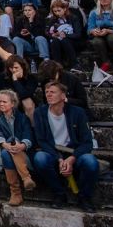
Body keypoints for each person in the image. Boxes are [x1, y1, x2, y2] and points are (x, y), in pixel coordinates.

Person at [31, 82, 99, 212]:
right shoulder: (40, 112)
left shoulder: (77, 112)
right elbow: (41, 141)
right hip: (53, 152)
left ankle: (84, 197)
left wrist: (72, 158)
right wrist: (59, 159)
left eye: (53, 92)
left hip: (73, 151)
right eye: (46, 92)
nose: (49, 95)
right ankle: (59, 193)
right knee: (39, 158)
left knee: (90, 162)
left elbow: (87, 143)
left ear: (63, 96)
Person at [0, 89, 35, 206]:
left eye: (4, 102)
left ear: (12, 103)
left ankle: (16, 192)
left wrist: (21, 145)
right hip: (5, 153)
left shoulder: (22, 118)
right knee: (6, 152)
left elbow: (28, 135)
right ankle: (25, 180)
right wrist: (4, 144)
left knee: (12, 149)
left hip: (23, 154)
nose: (1, 104)